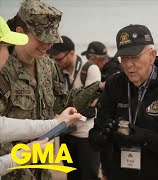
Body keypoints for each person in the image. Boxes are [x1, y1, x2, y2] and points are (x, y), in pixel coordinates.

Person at [0, 1, 103, 179]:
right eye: (41, 39)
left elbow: (61, 103)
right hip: (12, 169)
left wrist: (98, 89)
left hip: (43, 165)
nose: (48, 45)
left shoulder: (47, 65)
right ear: (20, 32)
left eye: (52, 40)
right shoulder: (3, 67)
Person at [88, 24, 158, 180]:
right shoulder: (113, 85)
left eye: (135, 57)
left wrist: (144, 137)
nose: (129, 65)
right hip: (122, 174)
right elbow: (94, 140)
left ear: (152, 55)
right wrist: (103, 136)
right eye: (124, 58)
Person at [47, 35, 101, 180]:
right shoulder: (58, 71)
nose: (56, 63)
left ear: (71, 53)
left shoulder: (90, 69)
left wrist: (63, 111)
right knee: (71, 175)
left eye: (58, 59)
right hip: (66, 135)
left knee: (88, 175)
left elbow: (92, 102)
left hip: (85, 136)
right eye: (53, 59)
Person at [81, 41, 123, 180]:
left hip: (112, 127)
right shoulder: (113, 68)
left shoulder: (112, 74)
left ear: (94, 58)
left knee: (109, 165)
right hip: (109, 126)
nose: (88, 61)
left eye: (88, 58)